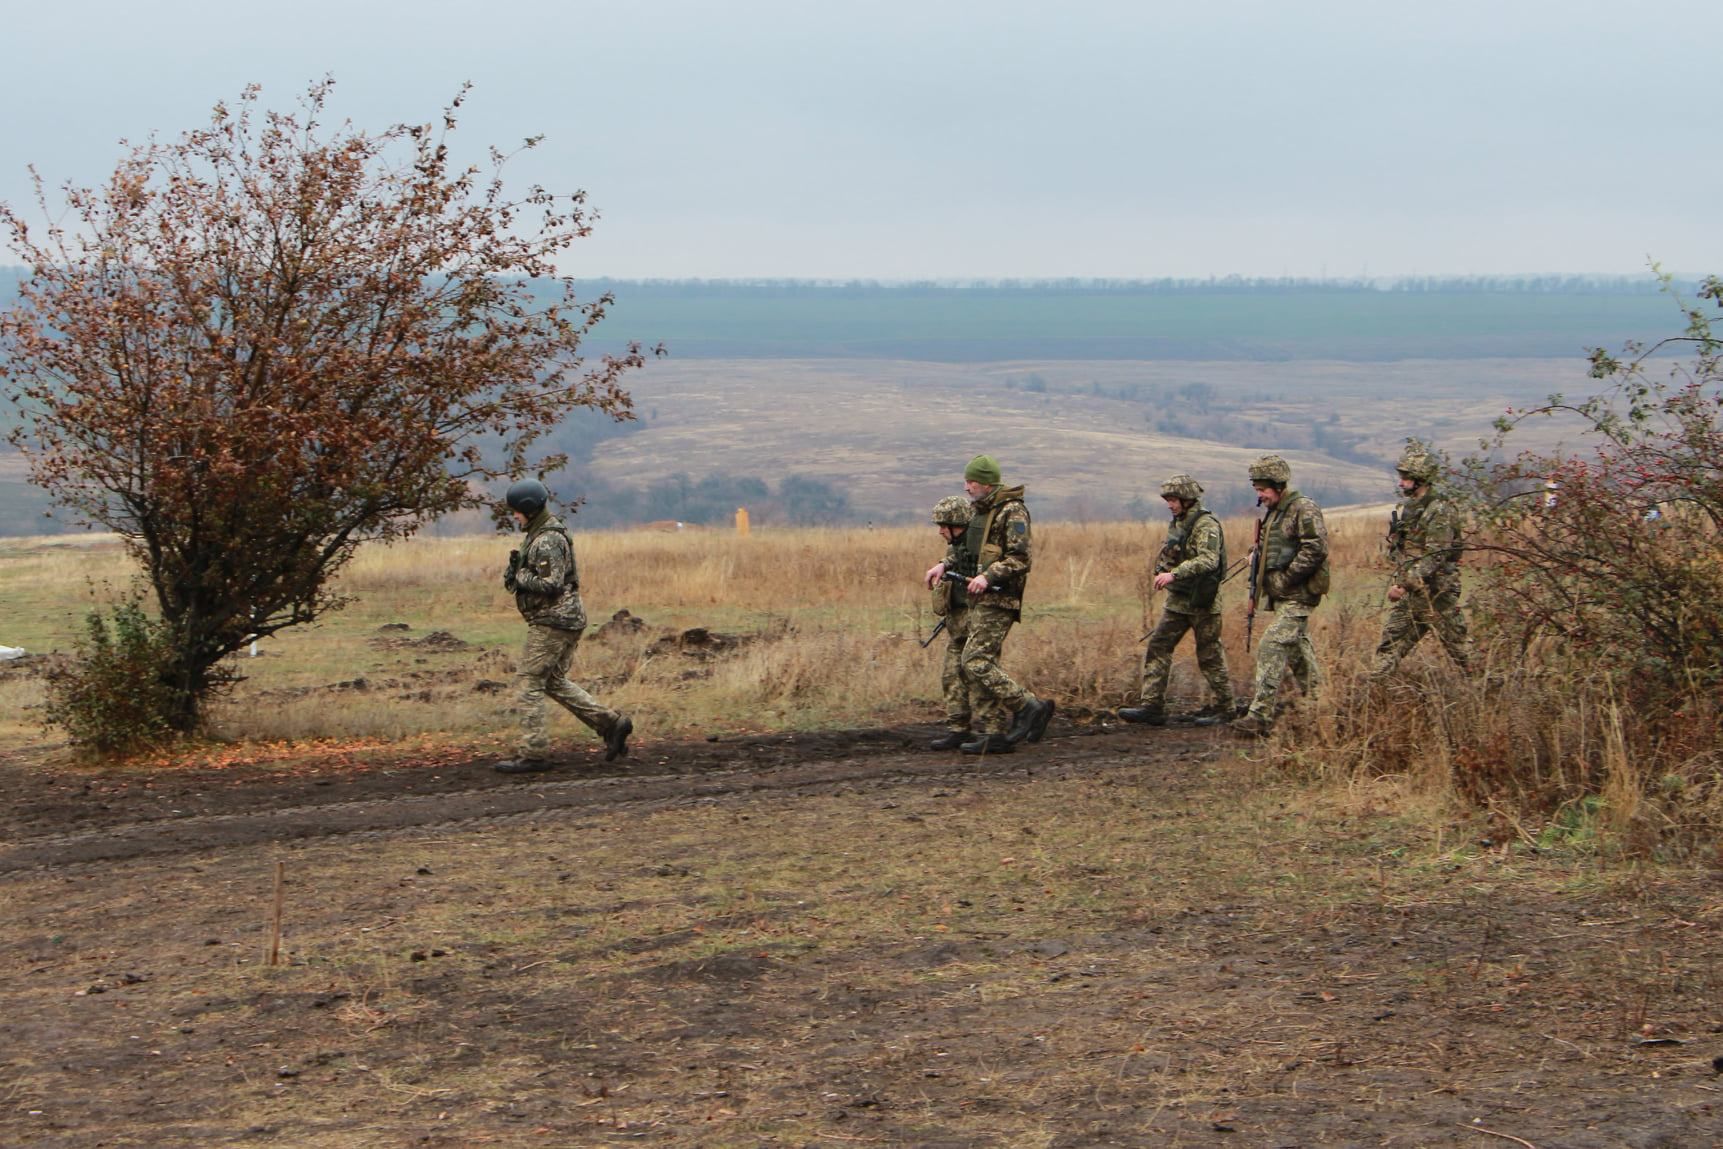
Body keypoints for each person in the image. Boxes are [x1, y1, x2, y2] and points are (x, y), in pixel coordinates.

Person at [494, 479, 633, 774]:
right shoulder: (541, 533)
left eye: (517, 512)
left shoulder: (547, 540)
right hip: (562, 619)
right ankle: (611, 724)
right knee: (553, 682)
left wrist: (520, 577)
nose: (515, 517)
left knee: (529, 682)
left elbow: (551, 583)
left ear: (529, 510)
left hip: (553, 621)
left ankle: (534, 754)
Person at [924, 455, 1054, 754]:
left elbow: (1020, 558)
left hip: (998, 598)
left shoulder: (1013, 512)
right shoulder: (976, 512)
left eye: (970, 482)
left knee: (976, 660)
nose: (966, 488)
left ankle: (1027, 706)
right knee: (961, 665)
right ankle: (981, 731)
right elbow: (963, 550)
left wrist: (987, 576)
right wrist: (942, 565)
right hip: (972, 600)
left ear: (985, 483)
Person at [1119, 474, 1235, 726]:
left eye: (1173, 500)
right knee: (1159, 646)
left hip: (1202, 600)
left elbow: (1209, 560)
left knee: (1209, 654)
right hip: (1179, 600)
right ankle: (1151, 706)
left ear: (1186, 499)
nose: (1169, 505)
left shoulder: (1206, 525)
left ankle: (1227, 708)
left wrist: (1173, 574)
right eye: (1168, 500)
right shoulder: (1179, 523)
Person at [1232, 455, 1329, 738]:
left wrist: (1287, 578)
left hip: (1299, 593)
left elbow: (1316, 549)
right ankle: (1322, 704)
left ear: (1278, 485)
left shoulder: (1303, 509)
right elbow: (1275, 545)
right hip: (1284, 595)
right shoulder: (1275, 513)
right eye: (1257, 490)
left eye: (1262, 489)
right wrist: (1257, 556)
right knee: (1298, 651)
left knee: (1271, 644)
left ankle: (1259, 716)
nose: (1259, 495)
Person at [1370, 443, 1476, 680]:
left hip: (1438, 594)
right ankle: (1370, 694)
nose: (1401, 483)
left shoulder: (1440, 510)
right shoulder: (1411, 509)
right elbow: (1406, 551)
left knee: (1461, 650)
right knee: (1391, 642)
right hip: (1416, 593)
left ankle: (1489, 690)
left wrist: (1403, 585)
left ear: (1420, 479)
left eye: (1406, 478)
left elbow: (1434, 556)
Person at [925, 495, 977, 750]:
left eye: (944, 526)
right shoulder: (955, 547)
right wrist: (942, 567)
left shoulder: (978, 545)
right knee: (951, 675)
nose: (940, 531)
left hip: (977, 619)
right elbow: (952, 563)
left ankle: (1025, 709)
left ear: (957, 524)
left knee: (981, 673)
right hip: (957, 618)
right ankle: (959, 728)